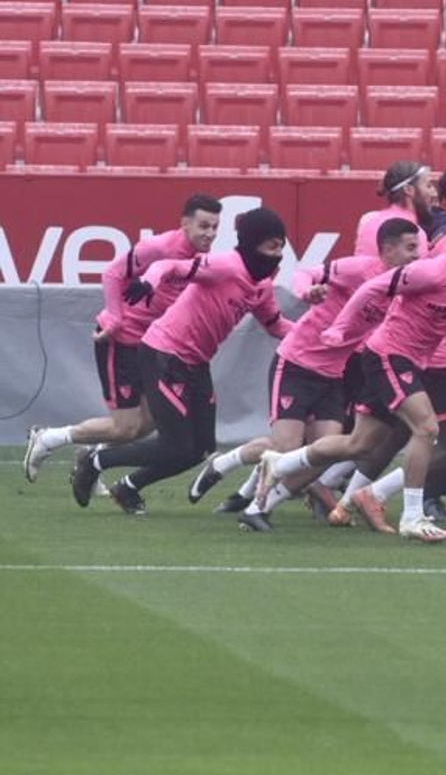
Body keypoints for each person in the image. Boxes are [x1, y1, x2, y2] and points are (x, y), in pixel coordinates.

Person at [257, 214, 446, 543]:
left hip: (415, 361)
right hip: (388, 355)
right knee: (427, 428)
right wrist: (339, 327)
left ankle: (279, 464)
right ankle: (411, 516)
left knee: (359, 443)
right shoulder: (432, 272)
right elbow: (371, 288)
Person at [186, 217, 424, 530]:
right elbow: (305, 273)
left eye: (418, 248)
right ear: (388, 250)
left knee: (322, 455)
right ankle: (224, 463)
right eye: (410, 248)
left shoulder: (404, 284)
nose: (417, 255)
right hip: (296, 364)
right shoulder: (359, 269)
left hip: (333, 374)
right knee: (286, 447)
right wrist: (307, 291)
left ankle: (258, 508)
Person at [70, 208, 292, 515]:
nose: (277, 254)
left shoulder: (262, 286)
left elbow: (275, 325)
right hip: (164, 354)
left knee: (200, 450)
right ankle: (94, 460)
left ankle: (128, 487)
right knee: (175, 445)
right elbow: (169, 265)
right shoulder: (226, 265)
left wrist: (319, 335)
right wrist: (149, 282)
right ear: (252, 243)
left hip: (195, 363)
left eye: (281, 246)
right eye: (271, 246)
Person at [26, 194, 222, 483]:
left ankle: (89, 457)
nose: (210, 234)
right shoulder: (159, 247)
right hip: (121, 340)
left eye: (215, 227)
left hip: (153, 346)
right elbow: (112, 273)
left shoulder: (200, 259)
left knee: (153, 421)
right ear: (185, 224)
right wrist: (116, 319)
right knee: (126, 428)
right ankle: (49, 438)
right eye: (204, 226)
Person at [354, 161, 434, 257]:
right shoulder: (414, 234)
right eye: (428, 186)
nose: (434, 193)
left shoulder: (368, 222)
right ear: (408, 190)